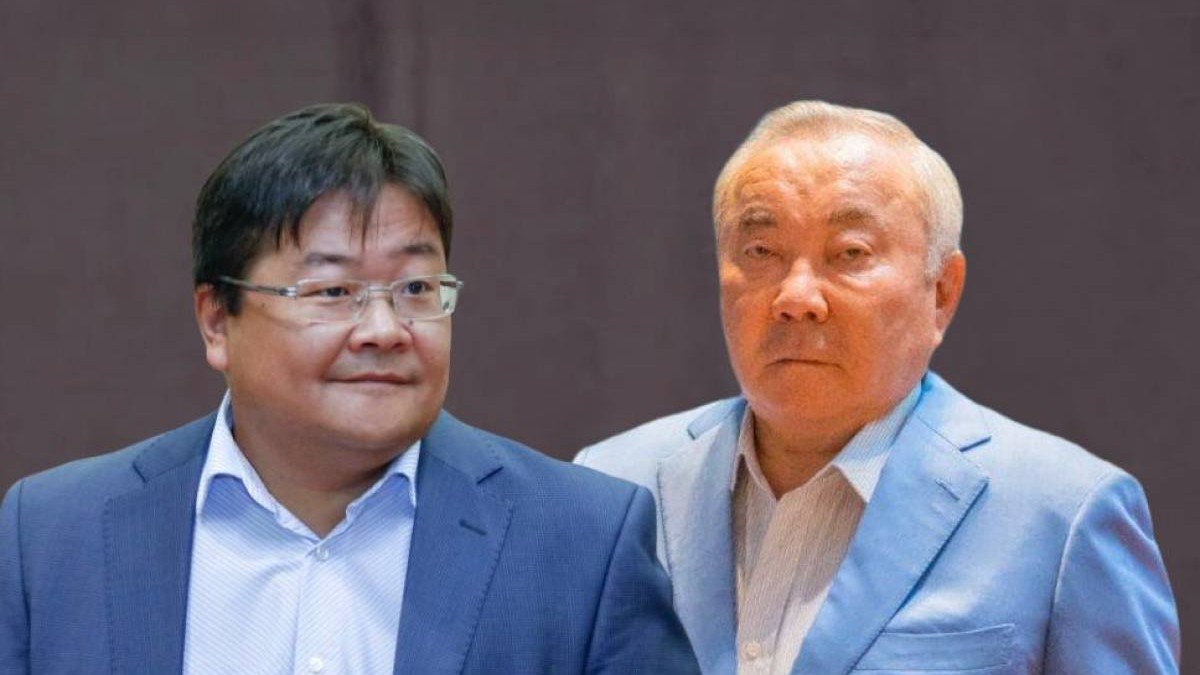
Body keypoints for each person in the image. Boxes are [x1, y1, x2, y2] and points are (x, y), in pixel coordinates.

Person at [0, 103, 698, 674]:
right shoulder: (56, 536)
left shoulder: (581, 543)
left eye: (416, 288)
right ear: (216, 320)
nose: (384, 329)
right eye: (333, 291)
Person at [576, 100, 1179, 674]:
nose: (796, 296)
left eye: (849, 253)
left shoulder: (1061, 515)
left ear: (941, 292)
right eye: (760, 250)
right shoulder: (609, 486)